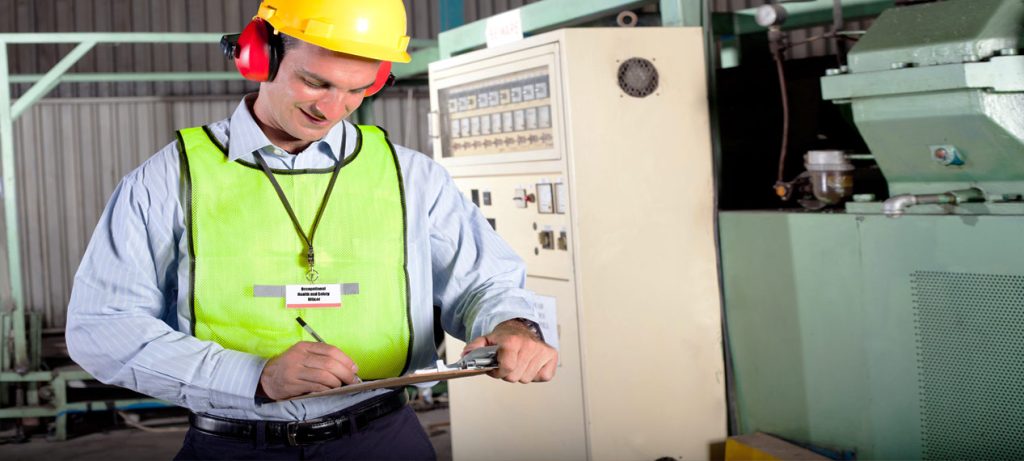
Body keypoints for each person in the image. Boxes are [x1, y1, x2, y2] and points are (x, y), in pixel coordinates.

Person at [64, 1, 557, 459]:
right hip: (234, 446)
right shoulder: (168, 180)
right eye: (315, 82)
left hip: (383, 438)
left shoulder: (413, 177)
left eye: (357, 89)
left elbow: (484, 282)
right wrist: (254, 377)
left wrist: (513, 325)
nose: (333, 108)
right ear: (260, 56)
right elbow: (102, 328)